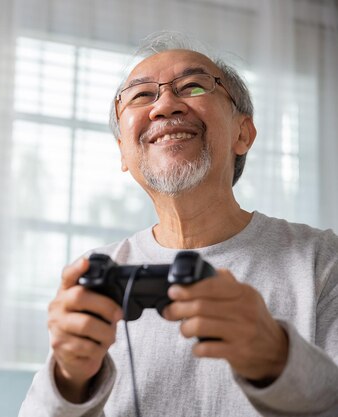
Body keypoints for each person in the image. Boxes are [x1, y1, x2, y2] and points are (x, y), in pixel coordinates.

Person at [18, 32, 338, 417]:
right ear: (123, 150)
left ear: (243, 133)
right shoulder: (93, 275)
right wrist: (70, 379)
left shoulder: (323, 261)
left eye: (194, 86)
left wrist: (277, 359)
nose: (165, 105)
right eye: (140, 96)